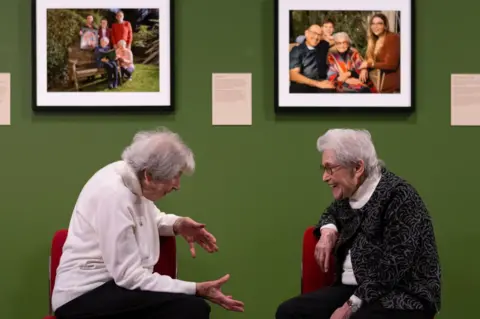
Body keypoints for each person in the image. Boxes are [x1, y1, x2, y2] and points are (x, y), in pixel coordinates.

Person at [52, 128, 244, 319]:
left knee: (191, 307)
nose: (177, 185)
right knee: (191, 309)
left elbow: (152, 217)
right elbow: (130, 276)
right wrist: (196, 289)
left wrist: (178, 224)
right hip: (82, 296)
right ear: (149, 175)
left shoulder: (132, 177)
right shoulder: (113, 194)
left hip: (112, 287)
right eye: (174, 176)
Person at [276, 128, 441, 319]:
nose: (325, 177)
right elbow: (331, 213)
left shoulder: (400, 197)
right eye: (324, 169)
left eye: (330, 168)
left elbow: (393, 266)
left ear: (357, 168)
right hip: (352, 289)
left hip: (402, 295)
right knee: (289, 312)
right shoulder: (350, 194)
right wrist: (328, 231)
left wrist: (349, 307)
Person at [289, 24, 335, 93]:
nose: (316, 37)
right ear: (306, 33)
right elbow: (293, 75)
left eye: (319, 35)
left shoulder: (323, 46)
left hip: (321, 82)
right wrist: (317, 84)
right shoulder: (297, 50)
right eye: (314, 33)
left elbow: (337, 41)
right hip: (303, 84)